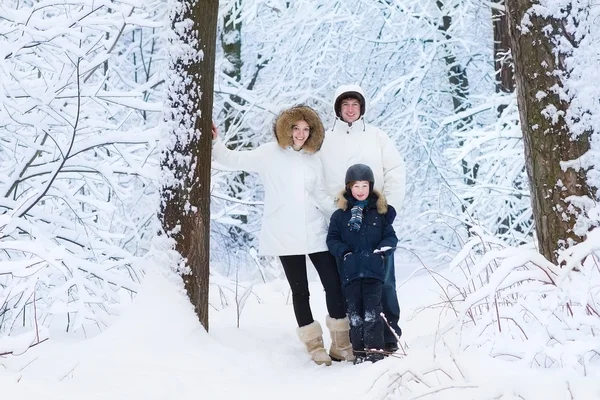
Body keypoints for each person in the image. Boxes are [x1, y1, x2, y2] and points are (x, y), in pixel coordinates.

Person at [211, 105, 354, 365]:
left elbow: (319, 194)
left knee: (333, 283)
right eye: (296, 128)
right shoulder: (269, 154)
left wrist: (342, 212)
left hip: (315, 230)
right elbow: (234, 160)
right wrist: (216, 142)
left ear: (312, 132)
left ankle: (341, 343)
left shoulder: (313, 159)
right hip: (285, 234)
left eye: (306, 129)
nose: (300, 134)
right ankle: (314, 346)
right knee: (300, 291)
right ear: (287, 129)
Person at [318, 84, 406, 353]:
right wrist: (334, 212)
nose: (350, 109)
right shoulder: (325, 140)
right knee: (349, 285)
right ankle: (355, 342)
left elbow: (395, 169)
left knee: (384, 281)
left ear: (362, 108)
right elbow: (315, 179)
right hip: (343, 225)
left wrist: (388, 207)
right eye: (345, 105)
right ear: (337, 109)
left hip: (376, 222)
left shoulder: (377, 137)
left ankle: (388, 336)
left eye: (355, 104)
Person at [326, 164, 399, 364]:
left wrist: (381, 252)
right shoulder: (340, 216)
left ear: (371, 187)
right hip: (350, 274)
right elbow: (332, 240)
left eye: (364, 186)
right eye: (356, 186)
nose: (360, 190)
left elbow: (390, 237)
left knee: (372, 312)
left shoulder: (380, 212)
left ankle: (375, 351)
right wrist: (345, 253)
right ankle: (359, 352)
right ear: (349, 187)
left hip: (373, 273)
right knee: (355, 315)